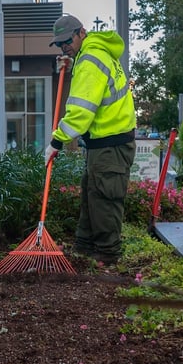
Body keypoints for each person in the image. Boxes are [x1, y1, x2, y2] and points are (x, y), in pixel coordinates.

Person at [44, 14, 137, 265]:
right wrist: (71, 63)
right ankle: (84, 247)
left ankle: (107, 254)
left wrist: (57, 141)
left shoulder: (89, 61)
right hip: (105, 141)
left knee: (104, 199)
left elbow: (81, 112)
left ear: (81, 33)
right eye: (59, 44)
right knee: (91, 195)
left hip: (110, 143)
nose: (64, 47)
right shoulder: (93, 53)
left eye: (68, 41)